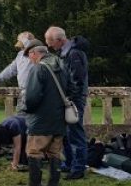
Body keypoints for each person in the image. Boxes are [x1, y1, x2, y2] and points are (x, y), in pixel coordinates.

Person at [45, 26, 89, 180]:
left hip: (73, 100)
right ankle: (70, 163)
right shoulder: (67, 53)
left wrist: (69, 98)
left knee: (76, 134)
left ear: (59, 40)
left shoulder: (74, 53)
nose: (49, 46)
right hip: (69, 99)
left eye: (50, 42)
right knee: (68, 134)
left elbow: (77, 79)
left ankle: (78, 169)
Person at [24, 39, 68, 186]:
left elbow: (31, 98)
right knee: (55, 153)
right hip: (59, 119)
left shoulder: (38, 69)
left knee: (34, 152)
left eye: (29, 55)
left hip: (40, 122)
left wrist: (27, 110)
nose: (29, 59)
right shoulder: (62, 65)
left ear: (34, 53)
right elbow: (72, 89)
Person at [0, 31, 35, 114]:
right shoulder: (20, 55)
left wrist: (25, 40)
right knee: (20, 120)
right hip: (23, 94)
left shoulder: (35, 52)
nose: (21, 48)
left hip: (34, 93)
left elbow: (32, 48)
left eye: (23, 45)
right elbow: (10, 70)